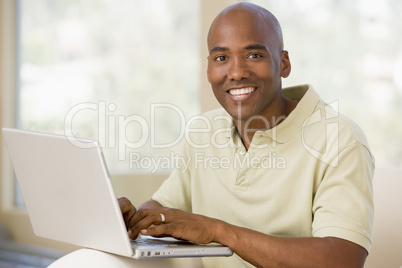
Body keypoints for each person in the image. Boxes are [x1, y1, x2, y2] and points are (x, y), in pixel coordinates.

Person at [119, 3, 374, 267]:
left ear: (284, 63)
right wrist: (130, 221)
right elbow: (164, 208)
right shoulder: (204, 131)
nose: (237, 72)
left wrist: (218, 231)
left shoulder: (339, 138)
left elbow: (342, 260)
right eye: (221, 58)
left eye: (254, 55)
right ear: (208, 70)